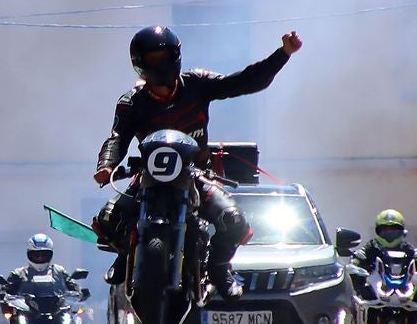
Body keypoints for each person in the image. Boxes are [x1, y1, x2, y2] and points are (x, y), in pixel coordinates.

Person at [92, 25, 303, 299]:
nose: (160, 63)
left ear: (175, 56)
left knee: (234, 221)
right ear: (140, 62)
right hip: (148, 175)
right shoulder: (131, 102)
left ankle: (219, 268)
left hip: (196, 174)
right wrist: (106, 165)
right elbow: (117, 137)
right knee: (108, 219)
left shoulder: (198, 83)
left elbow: (243, 81)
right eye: (153, 58)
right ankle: (127, 254)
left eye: (164, 56)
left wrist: (283, 54)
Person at [0, 233, 84, 319]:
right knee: (7, 323)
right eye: (36, 255)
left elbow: (73, 287)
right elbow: (5, 291)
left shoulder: (59, 271)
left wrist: (80, 292)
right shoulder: (18, 273)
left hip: (58, 315)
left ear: (50, 254)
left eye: (44, 255)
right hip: (25, 316)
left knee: (78, 321)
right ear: (29, 254)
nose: (40, 258)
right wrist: (2, 294)